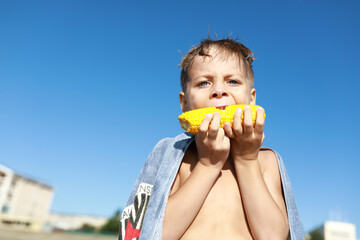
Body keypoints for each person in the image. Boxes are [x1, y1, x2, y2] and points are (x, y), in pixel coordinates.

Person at [118, 38, 304, 240]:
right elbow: (152, 232)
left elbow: (273, 236)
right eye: (203, 82)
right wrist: (207, 165)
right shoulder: (178, 156)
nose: (218, 90)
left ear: (252, 99)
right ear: (184, 103)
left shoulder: (266, 161)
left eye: (232, 81)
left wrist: (246, 160)